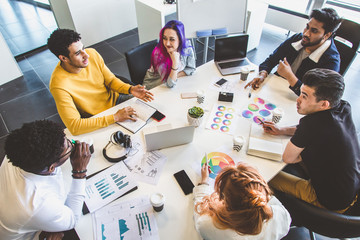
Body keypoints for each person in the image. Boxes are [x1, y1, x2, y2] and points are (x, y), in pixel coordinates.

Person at [263, 68, 360, 213]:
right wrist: (282, 130)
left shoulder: (311, 124)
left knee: (264, 175)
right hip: (351, 187)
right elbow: (314, 130)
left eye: (304, 96)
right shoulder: (343, 106)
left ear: (324, 104)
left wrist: (303, 151)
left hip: (332, 201)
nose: (298, 100)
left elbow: (288, 157)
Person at [48, 29, 154, 135]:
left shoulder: (92, 54)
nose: (86, 55)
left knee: (153, 114)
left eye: (83, 48)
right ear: (64, 58)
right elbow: (75, 126)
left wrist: (130, 89)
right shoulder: (58, 85)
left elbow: (111, 81)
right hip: (97, 117)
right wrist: (115, 117)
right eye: (77, 53)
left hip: (117, 101)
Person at [0, 120, 91, 240]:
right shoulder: (38, 204)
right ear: (51, 167)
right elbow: (73, 219)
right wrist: (79, 172)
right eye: (68, 146)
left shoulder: (19, 153)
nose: (72, 143)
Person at [245, 8, 341, 96]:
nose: (306, 33)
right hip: (276, 90)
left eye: (314, 31)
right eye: (307, 27)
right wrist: (263, 74)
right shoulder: (297, 38)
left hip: (297, 100)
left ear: (327, 35)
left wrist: (290, 77)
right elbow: (271, 60)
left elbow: (318, 97)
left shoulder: (331, 61)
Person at [193, 162, 291, 240]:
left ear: (223, 200)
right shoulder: (281, 215)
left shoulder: (209, 225)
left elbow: (199, 214)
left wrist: (204, 182)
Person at [142, 20, 196, 90]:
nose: (167, 43)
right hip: (153, 88)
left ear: (180, 39)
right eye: (164, 38)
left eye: (172, 39)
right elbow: (169, 84)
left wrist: (174, 75)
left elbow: (191, 69)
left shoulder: (186, 47)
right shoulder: (158, 54)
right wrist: (175, 64)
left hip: (168, 86)